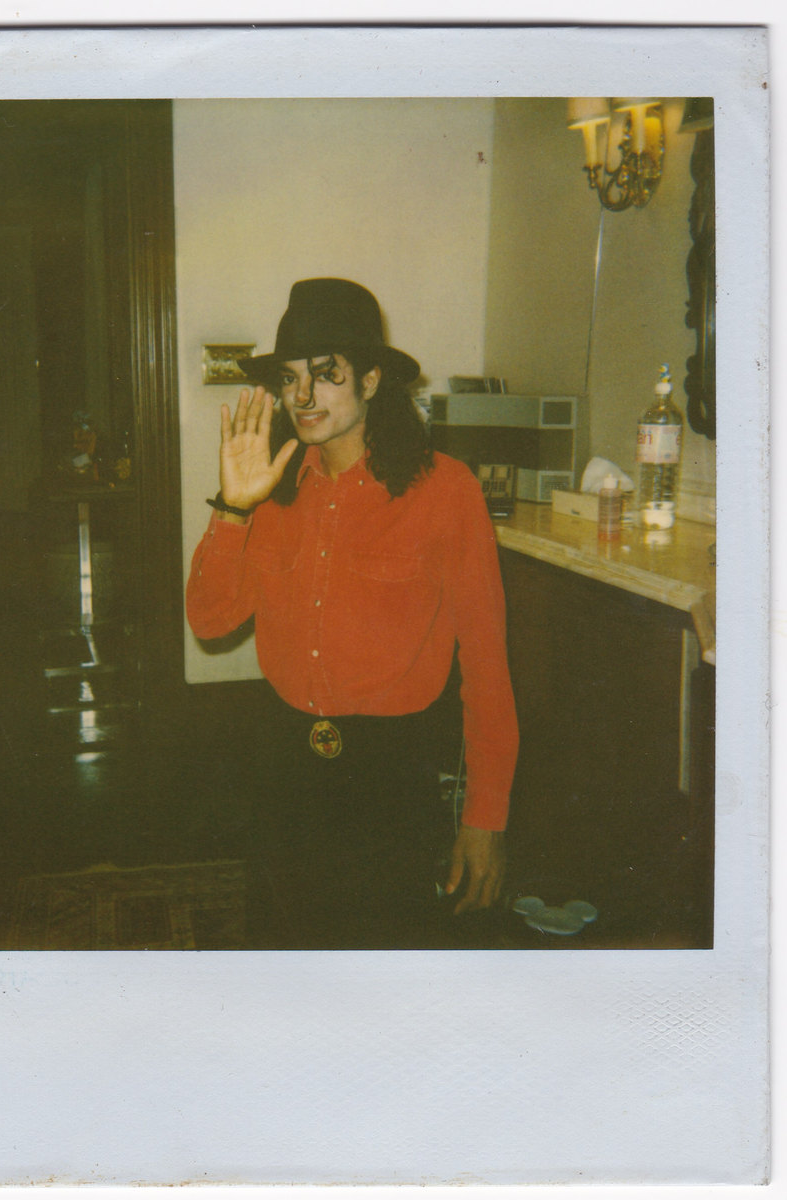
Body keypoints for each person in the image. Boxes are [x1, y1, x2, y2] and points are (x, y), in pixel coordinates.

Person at [186, 278, 518, 948]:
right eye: (290, 378)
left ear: (370, 379)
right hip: (282, 765)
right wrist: (233, 507)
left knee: (380, 971)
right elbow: (210, 621)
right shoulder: (271, 488)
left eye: (325, 373)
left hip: (388, 782)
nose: (302, 396)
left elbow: (487, 667)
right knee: (282, 959)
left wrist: (485, 818)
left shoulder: (445, 491)